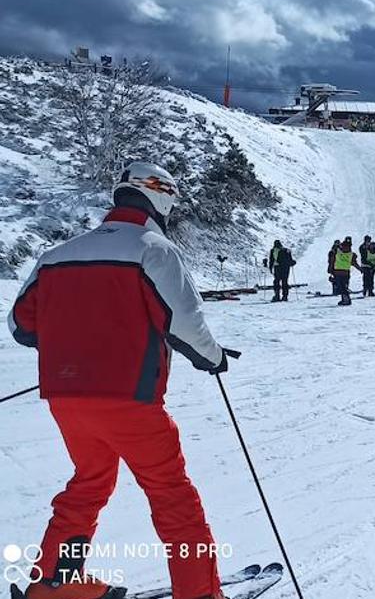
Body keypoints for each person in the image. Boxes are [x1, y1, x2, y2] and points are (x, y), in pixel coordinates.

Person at [9, 162, 229, 599]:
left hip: (67, 399)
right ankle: (199, 592)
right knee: (172, 495)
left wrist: (78, 350)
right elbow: (182, 321)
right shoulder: (153, 248)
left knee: (89, 482)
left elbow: (21, 324)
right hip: (130, 398)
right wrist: (214, 358)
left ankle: (53, 585)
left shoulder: (56, 255)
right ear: (162, 197)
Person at [331, 237, 360, 305]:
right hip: (346, 272)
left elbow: (333, 251)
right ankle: (345, 299)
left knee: (342, 287)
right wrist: (360, 269)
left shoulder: (338, 251)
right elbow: (354, 263)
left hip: (338, 271)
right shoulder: (351, 254)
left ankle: (346, 300)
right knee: (344, 287)